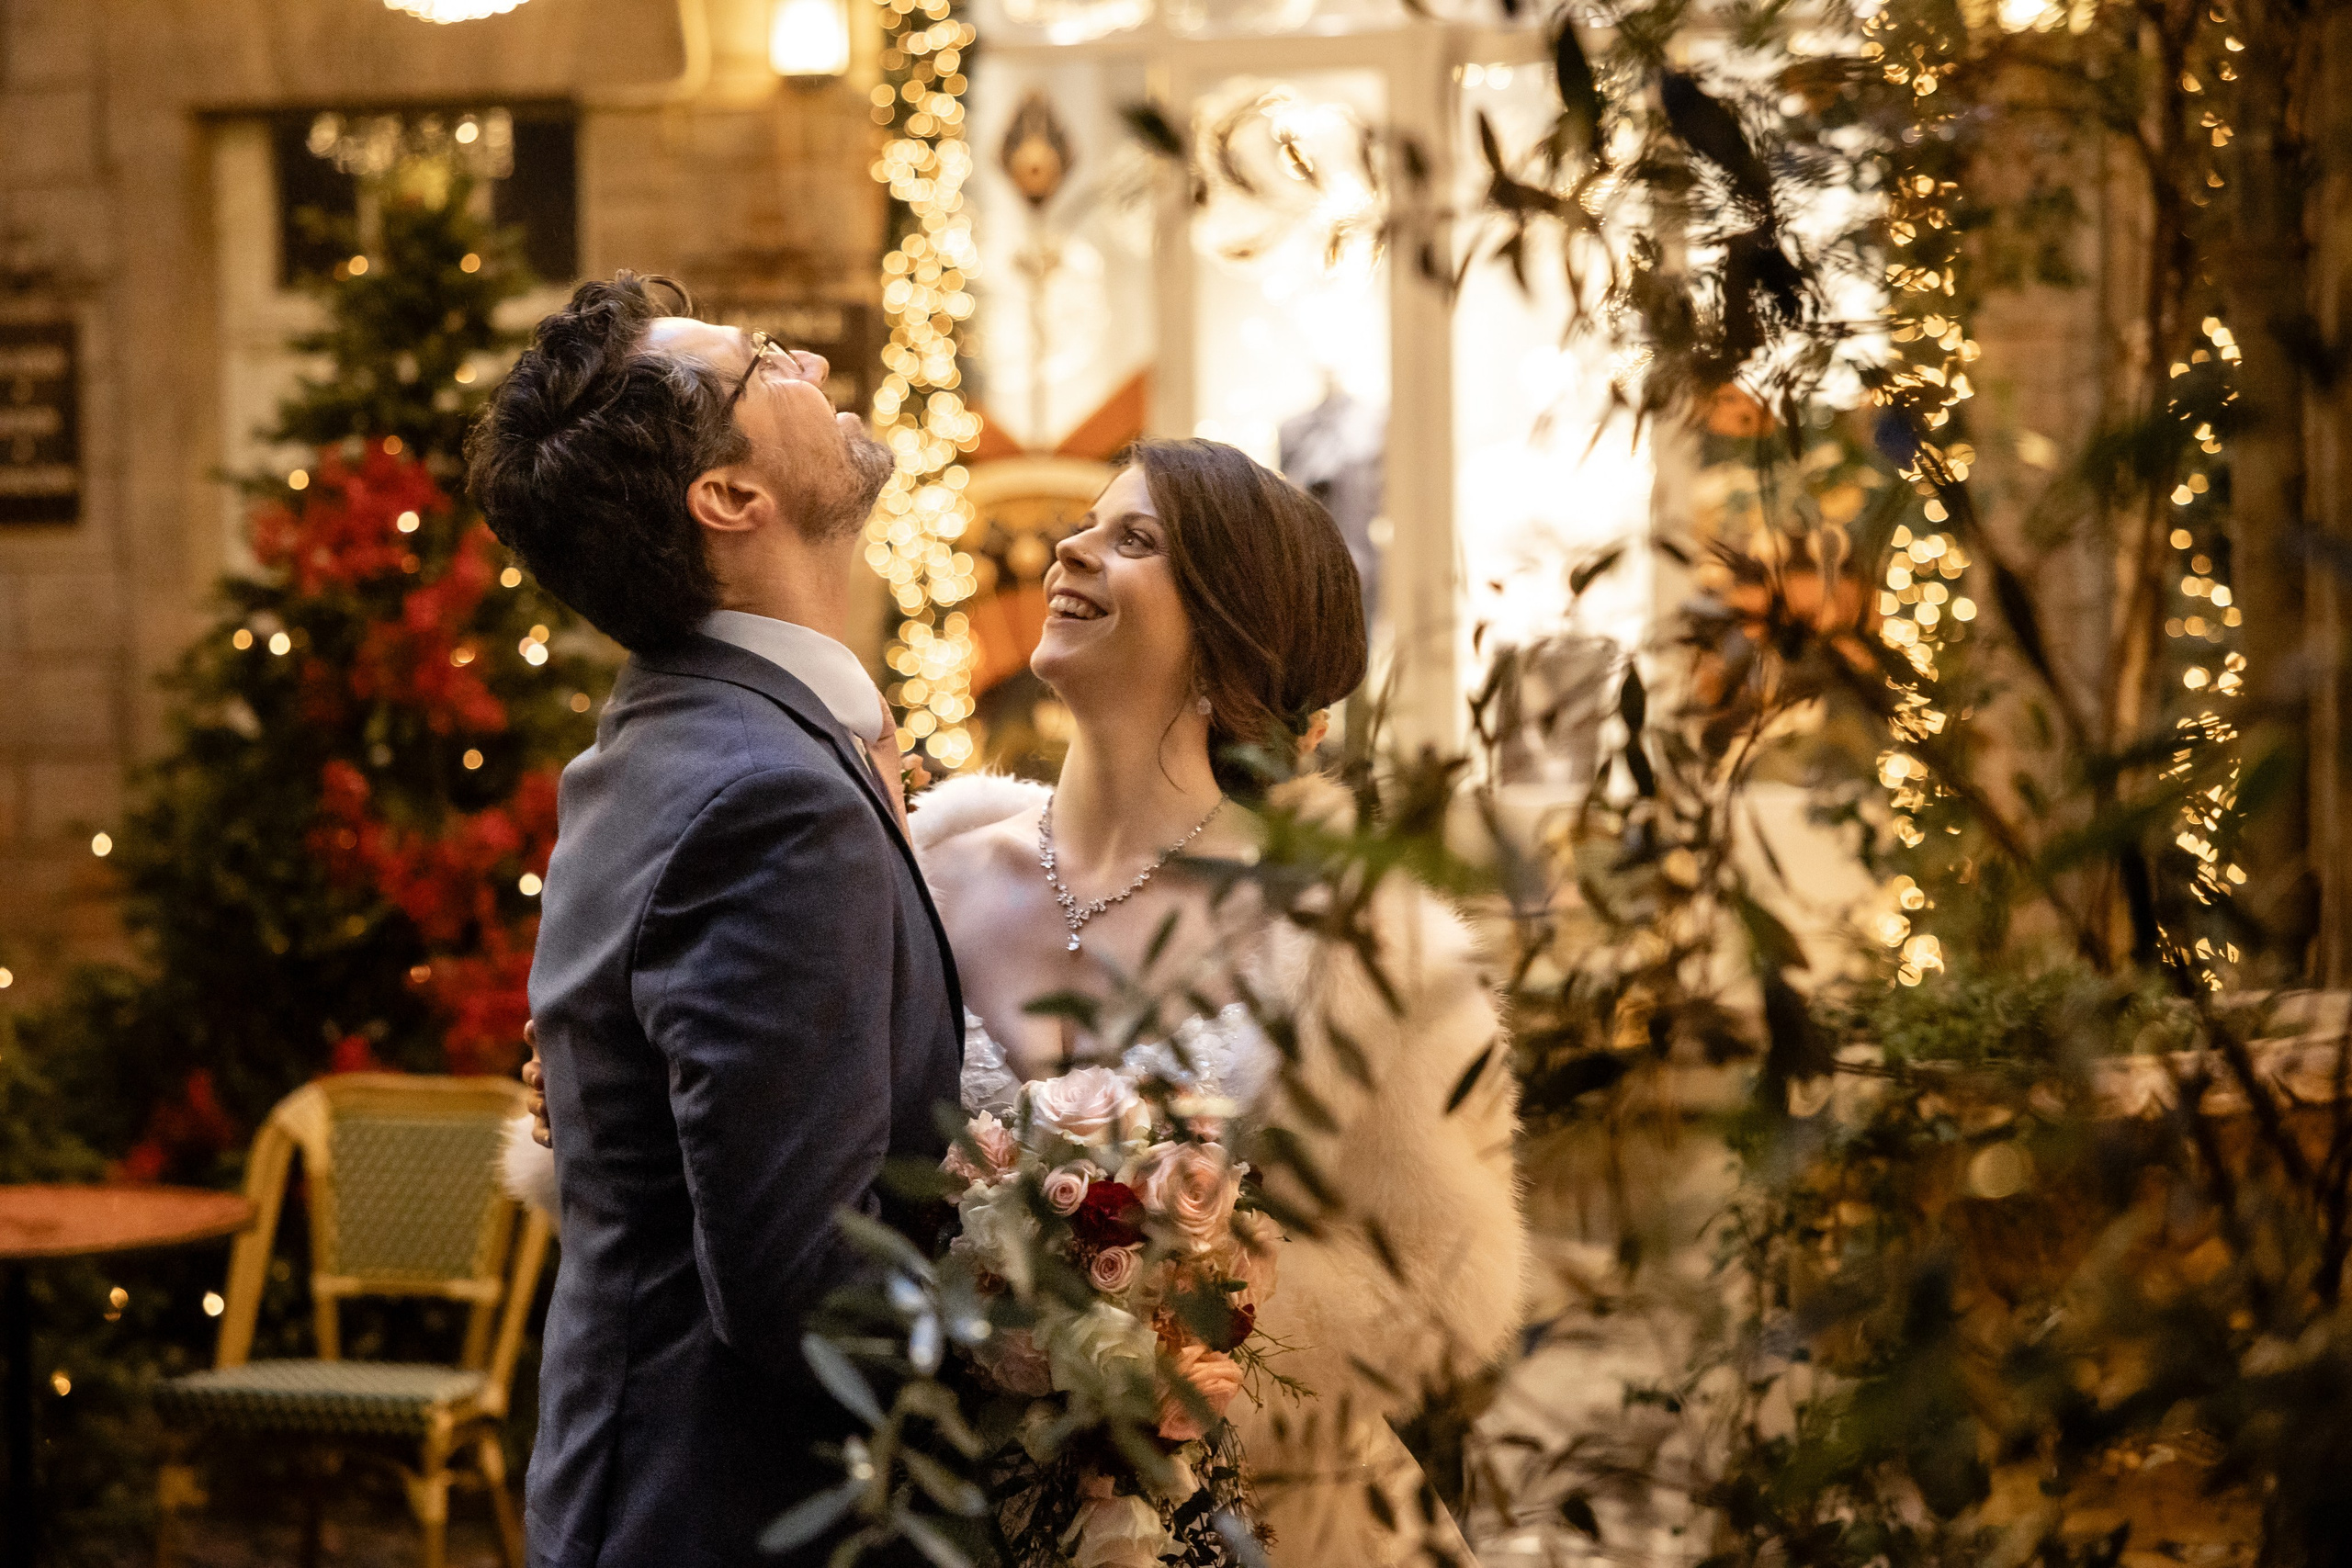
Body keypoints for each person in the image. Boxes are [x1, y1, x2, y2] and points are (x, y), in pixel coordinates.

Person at [514, 437, 1526, 1563]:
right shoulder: (919, 869)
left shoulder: (1361, 939)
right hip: (930, 1516)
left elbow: (1448, 1291)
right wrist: (607, 1097)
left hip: (1256, 1521)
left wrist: (1184, 1315)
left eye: (1132, 539)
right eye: (1088, 524)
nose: (1070, 549)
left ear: (1228, 638)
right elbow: (765, 1180)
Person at [467, 272, 963, 1568]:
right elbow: (805, 1281)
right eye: (762, 366)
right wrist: (1082, 1335)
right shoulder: (769, 795)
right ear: (729, 498)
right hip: (737, 1520)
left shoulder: (681, 728)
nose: (805, 356)